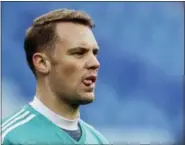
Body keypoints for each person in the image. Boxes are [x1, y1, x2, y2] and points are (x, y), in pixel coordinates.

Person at [2, 9, 110, 145]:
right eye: (79, 53)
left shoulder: (100, 141)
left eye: (94, 53)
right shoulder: (11, 138)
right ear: (42, 63)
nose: (95, 63)